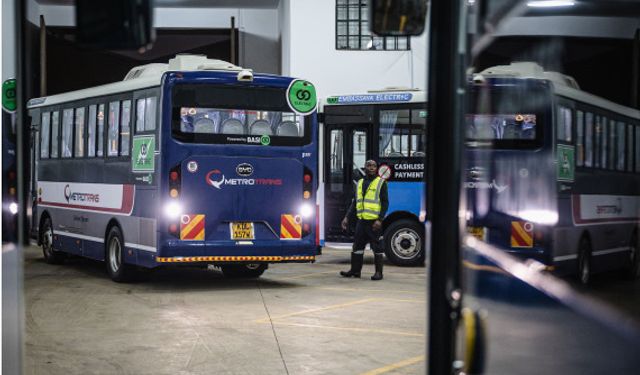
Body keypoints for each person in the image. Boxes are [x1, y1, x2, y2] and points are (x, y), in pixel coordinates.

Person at [340, 159, 388, 280]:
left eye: (374, 166)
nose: (371, 167)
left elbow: (385, 203)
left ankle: (379, 273)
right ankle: (355, 271)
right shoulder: (360, 182)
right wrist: (346, 217)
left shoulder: (381, 183)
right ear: (365, 168)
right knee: (357, 247)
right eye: (369, 165)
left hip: (374, 222)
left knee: (377, 247)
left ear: (376, 169)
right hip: (361, 222)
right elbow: (355, 202)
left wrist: (380, 219)